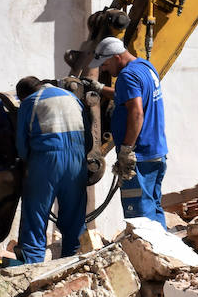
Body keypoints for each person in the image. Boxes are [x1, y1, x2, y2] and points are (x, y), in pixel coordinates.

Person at [92, 37, 168, 226]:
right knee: (154, 209)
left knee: (141, 220)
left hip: (138, 157)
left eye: (106, 64)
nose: (104, 69)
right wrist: (101, 89)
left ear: (117, 57)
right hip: (155, 151)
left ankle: (147, 254)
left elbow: (136, 113)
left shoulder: (127, 76)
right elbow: (128, 96)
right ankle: (164, 254)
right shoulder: (145, 67)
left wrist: (126, 149)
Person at [14, 76, 88, 263]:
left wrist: (24, 163)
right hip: (77, 160)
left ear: (23, 95)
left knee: (36, 215)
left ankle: (32, 267)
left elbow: (21, 144)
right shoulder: (71, 97)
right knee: (74, 215)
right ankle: (73, 261)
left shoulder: (30, 102)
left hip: (46, 160)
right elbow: (88, 133)